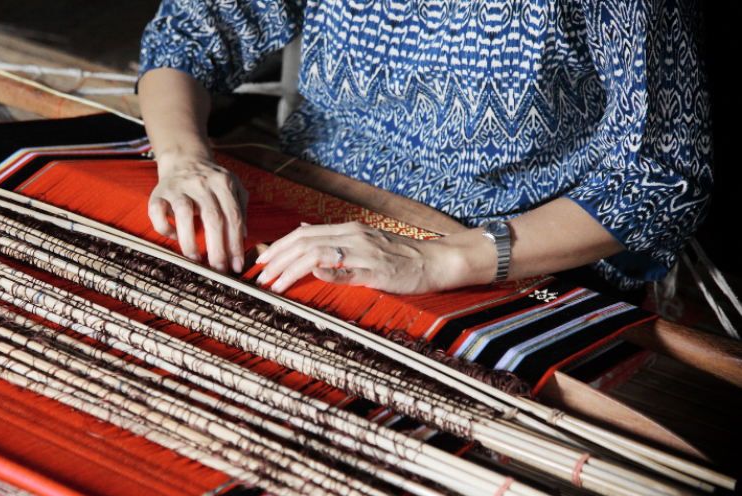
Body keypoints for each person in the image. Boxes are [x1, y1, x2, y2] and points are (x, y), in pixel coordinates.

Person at [136, 0, 711, 299]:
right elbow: (187, 33)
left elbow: (660, 177)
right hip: (304, 212)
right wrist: (184, 157)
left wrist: (441, 260)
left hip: (503, 259)